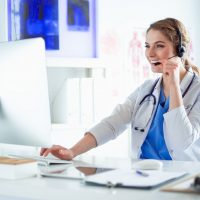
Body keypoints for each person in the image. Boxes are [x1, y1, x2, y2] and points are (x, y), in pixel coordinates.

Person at [41, 18, 200, 161]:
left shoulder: (197, 91)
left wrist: (174, 87)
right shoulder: (147, 90)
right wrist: (72, 152)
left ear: (180, 50)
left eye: (159, 46)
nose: (150, 53)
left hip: (182, 180)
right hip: (145, 176)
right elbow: (112, 124)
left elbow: (181, 143)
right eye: (147, 46)